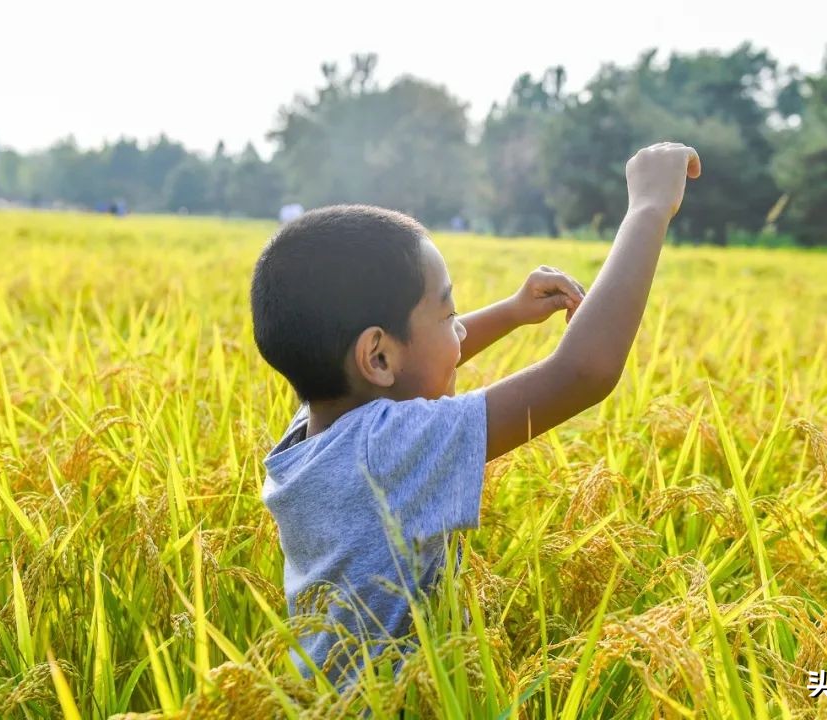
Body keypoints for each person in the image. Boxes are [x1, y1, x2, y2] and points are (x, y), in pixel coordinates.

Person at [249, 141, 700, 686]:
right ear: (378, 355)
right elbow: (584, 372)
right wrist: (649, 208)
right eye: (449, 313)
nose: (459, 333)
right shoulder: (385, 453)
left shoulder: (312, 430)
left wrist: (511, 313)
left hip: (324, 690)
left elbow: (410, 371)